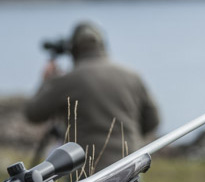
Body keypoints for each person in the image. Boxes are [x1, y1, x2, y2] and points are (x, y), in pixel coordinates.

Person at [25, 21, 160, 171]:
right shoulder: (132, 76)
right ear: (102, 45)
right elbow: (153, 120)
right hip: (130, 163)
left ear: (74, 49)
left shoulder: (67, 81)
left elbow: (33, 113)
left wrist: (46, 81)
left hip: (87, 170)